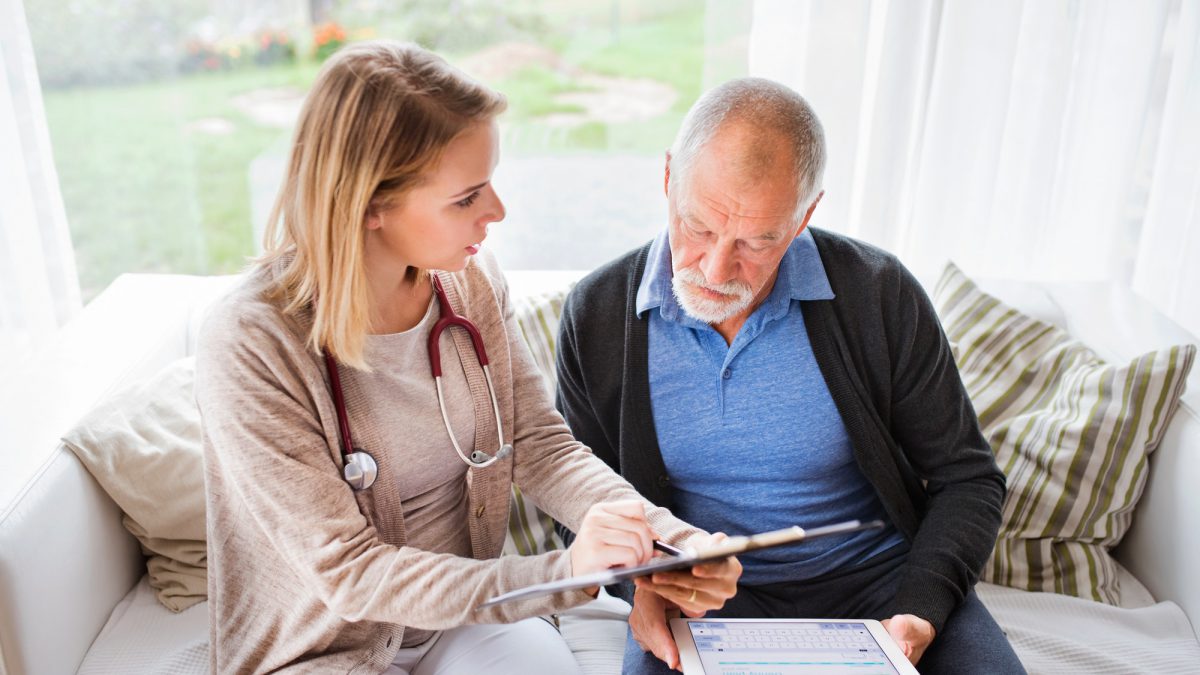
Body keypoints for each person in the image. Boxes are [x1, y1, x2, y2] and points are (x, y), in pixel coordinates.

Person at [194, 41, 740, 674]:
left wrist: (671, 540)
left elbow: (540, 447)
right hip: (324, 648)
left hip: (465, 620)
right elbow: (348, 572)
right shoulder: (251, 342)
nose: (497, 212)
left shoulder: (468, 282)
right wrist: (562, 572)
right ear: (369, 204)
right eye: (466, 197)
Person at [554, 77, 1026, 674]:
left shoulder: (878, 293)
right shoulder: (597, 314)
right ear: (669, 177)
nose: (717, 268)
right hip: (700, 600)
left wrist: (921, 609)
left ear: (805, 215)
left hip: (882, 587)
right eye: (699, 227)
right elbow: (577, 505)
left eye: (758, 240)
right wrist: (641, 588)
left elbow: (967, 478)